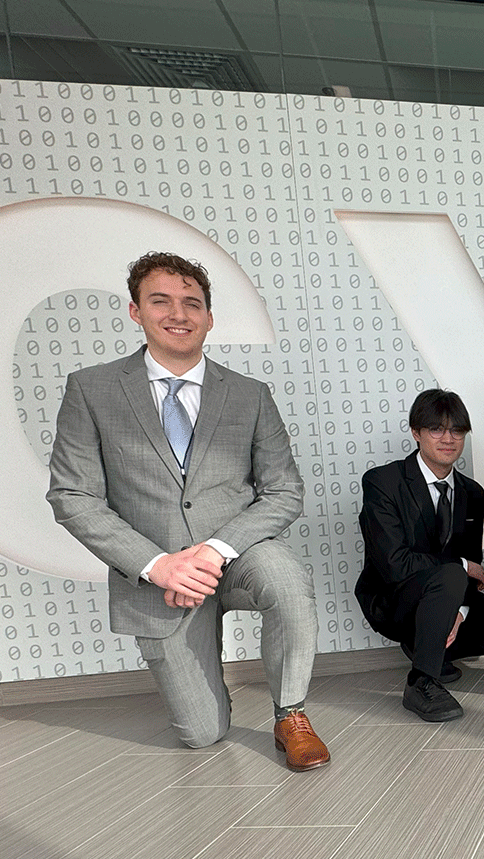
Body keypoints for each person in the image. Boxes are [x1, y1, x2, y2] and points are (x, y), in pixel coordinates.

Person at [47, 252, 328, 770]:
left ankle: (291, 713)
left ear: (209, 317)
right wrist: (160, 565)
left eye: (191, 303)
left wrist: (213, 551)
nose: (178, 313)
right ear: (136, 311)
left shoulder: (249, 395)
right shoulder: (91, 390)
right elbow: (73, 495)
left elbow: (285, 491)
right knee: (203, 735)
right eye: (161, 301)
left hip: (238, 556)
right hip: (159, 578)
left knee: (287, 579)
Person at [357, 389, 484, 722]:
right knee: (454, 571)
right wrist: (461, 566)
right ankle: (421, 681)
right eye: (436, 429)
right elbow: (394, 563)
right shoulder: (383, 482)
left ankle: (431, 646)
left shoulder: (472, 493)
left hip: (447, 594)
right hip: (394, 599)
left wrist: (461, 611)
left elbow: (470, 564)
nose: (448, 438)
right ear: (416, 432)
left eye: (457, 430)